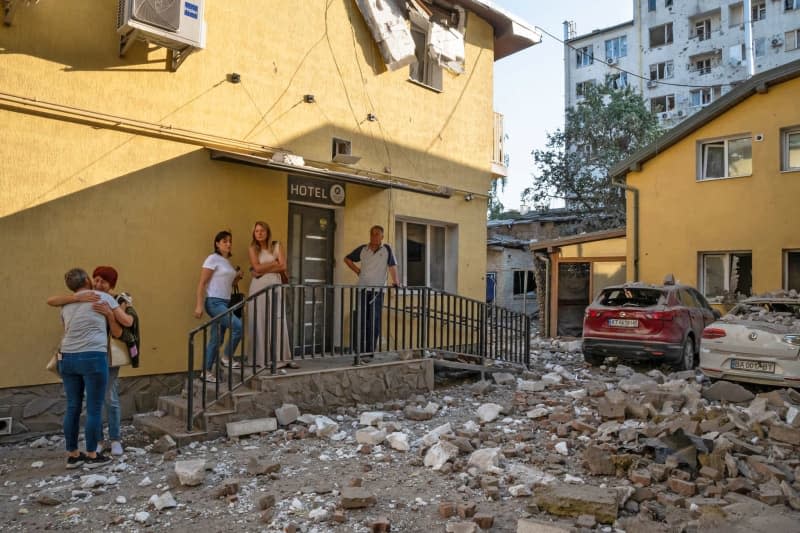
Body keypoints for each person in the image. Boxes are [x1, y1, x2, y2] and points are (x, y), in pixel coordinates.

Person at [48, 266, 135, 457]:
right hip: (93, 357)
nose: (98, 284)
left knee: (99, 401)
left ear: (112, 284)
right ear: (88, 280)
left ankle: (104, 443)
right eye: (95, 279)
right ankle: (94, 449)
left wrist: (109, 314)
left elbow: (125, 327)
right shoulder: (95, 297)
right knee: (94, 406)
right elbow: (52, 301)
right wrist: (77, 298)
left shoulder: (116, 298)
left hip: (86, 357)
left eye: (103, 281)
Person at [194, 230, 243, 382]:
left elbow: (226, 283)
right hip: (214, 303)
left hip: (225, 302)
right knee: (238, 326)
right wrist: (199, 305)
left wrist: (237, 278)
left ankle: (206, 372)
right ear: (217, 244)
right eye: (224, 241)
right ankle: (227, 358)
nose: (228, 244)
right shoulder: (212, 258)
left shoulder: (226, 262)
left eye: (230, 241)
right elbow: (202, 283)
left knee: (216, 340)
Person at [247, 221, 296, 369]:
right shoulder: (252, 248)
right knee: (260, 320)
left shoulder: (277, 245)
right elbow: (256, 267)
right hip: (258, 288)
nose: (259, 233)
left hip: (275, 287)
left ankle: (281, 358)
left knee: (277, 319)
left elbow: (283, 266)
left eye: (262, 230)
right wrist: (274, 264)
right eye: (256, 231)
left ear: (268, 232)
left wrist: (262, 269)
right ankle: (261, 359)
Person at [344, 225, 400, 356]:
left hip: (377, 292)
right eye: (372, 234)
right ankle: (360, 350)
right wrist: (358, 271)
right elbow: (347, 259)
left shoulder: (386, 249)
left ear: (382, 237)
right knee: (362, 319)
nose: (374, 236)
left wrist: (396, 281)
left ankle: (370, 351)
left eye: (377, 234)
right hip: (362, 289)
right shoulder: (363, 249)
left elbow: (392, 266)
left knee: (374, 320)